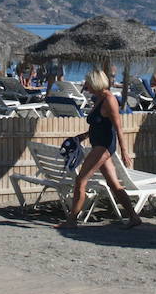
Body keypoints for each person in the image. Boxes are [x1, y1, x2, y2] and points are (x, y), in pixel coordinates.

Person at [56, 70, 142, 230]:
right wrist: (83, 136)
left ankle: (72, 221)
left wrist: (124, 151)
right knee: (114, 184)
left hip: (103, 147)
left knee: (81, 180)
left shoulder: (109, 100)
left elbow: (118, 127)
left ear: (95, 82)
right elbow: (98, 124)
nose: (85, 85)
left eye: (87, 82)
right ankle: (134, 217)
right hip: (98, 144)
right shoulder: (99, 98)